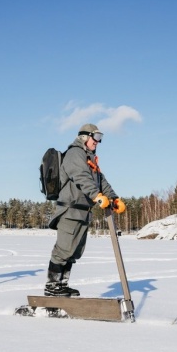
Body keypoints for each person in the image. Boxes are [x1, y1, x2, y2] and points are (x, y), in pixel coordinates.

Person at [45, 123, 126, 297]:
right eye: (96, 137)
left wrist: (113, 197)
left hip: (83, 211)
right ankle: (52, 286)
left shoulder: (90, 158)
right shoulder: (75, 153)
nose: (98, 142)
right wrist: (96, 195)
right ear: (85, 136)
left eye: (100, 138)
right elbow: (80, 176)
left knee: (74, 251)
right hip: (69, 210)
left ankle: (62, 285)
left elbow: (100, 180)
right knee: (63, 249)